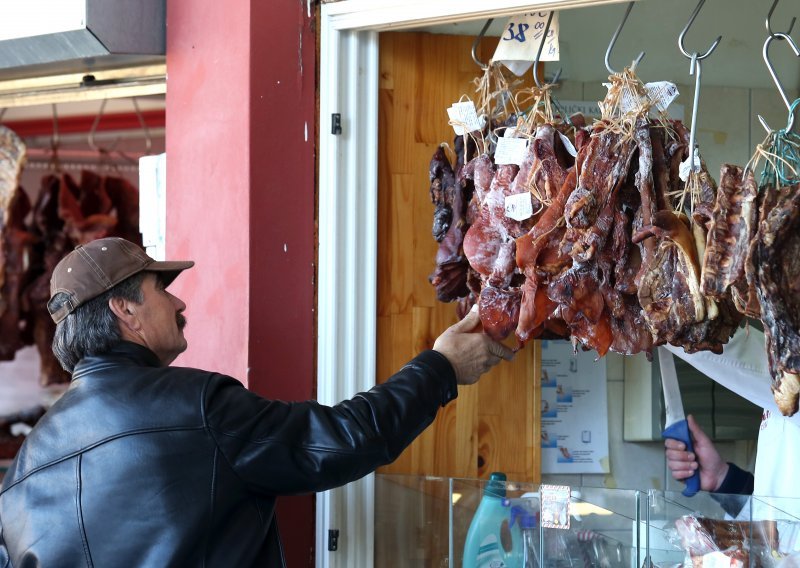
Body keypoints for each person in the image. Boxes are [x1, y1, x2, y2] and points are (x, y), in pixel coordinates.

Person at [0, 237, 514, 567]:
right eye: (162, 288)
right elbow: (342, 440)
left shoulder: (20, 474)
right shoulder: (196, 407)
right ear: (125, 310)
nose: (179, 303)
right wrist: (442, 367)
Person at [663, 327, 800, 517]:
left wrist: (665, 324)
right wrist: (723, 478)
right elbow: (770, 518)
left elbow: (759, 364)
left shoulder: (788, 376)